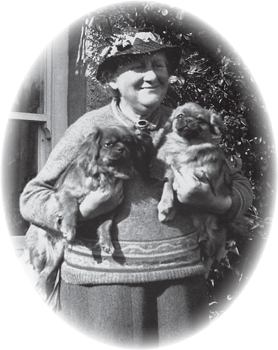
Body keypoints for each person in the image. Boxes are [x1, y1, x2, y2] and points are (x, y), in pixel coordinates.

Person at [20, 30, 253, 347]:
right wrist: (83, 211)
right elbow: (33, 197)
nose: (152, 75)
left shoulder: (185, 123)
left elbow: (240, 185)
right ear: (112, 80)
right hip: (100, 289)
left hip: (180, 288)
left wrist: (215, 202)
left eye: (158, 65)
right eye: (138, 66)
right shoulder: (91, 128)